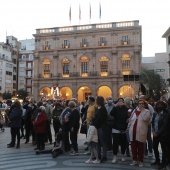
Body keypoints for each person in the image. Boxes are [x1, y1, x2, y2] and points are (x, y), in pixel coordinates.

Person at [128, 99, 151, 167]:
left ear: (144, 104)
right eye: (139, 103)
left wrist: (142, 111)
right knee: (133, 147)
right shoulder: (134, 111)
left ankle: (141, 161)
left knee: (141, 147)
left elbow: (145, 119)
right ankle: (134, 160)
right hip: (133, 132)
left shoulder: (147, 111)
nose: (141, 105)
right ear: (137, 104)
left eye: (142, 103)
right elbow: (131, 120)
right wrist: (128, 127)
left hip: (141, 132)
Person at [110, 98, 129, 163]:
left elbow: (127, 115)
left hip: (123, 128)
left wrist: (124, 106)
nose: (120, 102)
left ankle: (123, 155)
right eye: (119, 101)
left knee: (123, 143)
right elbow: (111, 113)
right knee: (115, 143)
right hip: (116, 128)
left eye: (121, 101)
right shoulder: (115, 108)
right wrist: (115, 106)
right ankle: (115, 156)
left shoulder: (125, 109)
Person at [151, 100, 168, 170]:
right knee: (154, 147)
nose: (159, 106)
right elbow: (153, 123)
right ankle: (157, 160)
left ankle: (163, 163)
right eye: (158, 105)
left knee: (164, 149)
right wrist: (153, 131)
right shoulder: (155, 114)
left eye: (161, 105)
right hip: (155, 134)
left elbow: (165, 126)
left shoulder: (165, 114)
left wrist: (157, 133)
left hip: (162, 135)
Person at [93, 96, 108, 162]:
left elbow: (101, 119)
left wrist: (94, 122)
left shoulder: (103, 109)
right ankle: (98, 155)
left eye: (96, 100)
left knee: (103, 141)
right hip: (97, 126)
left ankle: (104, 156)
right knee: (97, 142)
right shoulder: (97, 108)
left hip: (101, 127)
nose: (95, 101)